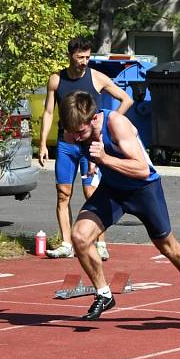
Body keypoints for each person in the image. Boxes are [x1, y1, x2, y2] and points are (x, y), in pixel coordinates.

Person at [57, 90, 180, 320]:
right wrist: (92, 168)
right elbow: (83, 151)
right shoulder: (74, 131)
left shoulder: (116, 124)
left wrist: (104, 159)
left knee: (167, 247)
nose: (76, 137)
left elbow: (142, 170)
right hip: (112, 189)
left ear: (94, 118)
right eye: (71, 132)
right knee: (80, 237)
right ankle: (104, 294)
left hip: (143, 190)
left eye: (80, 132)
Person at [38, 37, 133, 261]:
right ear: (70, 55)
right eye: (80, 57)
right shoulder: (56, 80)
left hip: (90, 147)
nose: (84, 61)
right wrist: (43, 144)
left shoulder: (97, 78)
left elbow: (126, 99)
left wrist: (111, 122)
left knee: (92, 193)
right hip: (66, 145)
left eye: (88, 57)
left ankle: (100, 243)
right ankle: (66, 243)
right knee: (63, 194)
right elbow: (49, 113)